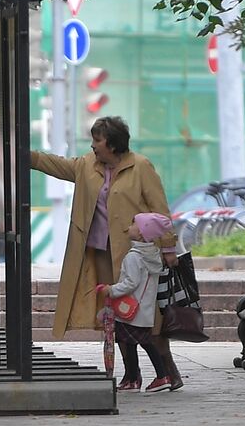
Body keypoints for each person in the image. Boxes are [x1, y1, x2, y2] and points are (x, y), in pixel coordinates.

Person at [31, 116, 183, 390]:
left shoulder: (141, 167)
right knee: (116, 314)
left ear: (112, 144)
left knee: (145, 317)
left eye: (97, 141)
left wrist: (169, 247)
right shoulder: (87, 166)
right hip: (101, 253)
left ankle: (168, 372)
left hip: (135, 255)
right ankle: (131, 375)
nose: (92, 146)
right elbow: (55, 164)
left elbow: (160, 210)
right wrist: (25, 155)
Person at [96, 213, 174, 392]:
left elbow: (130, 283)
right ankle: (143, 378)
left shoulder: (134, 257)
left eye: (133, 224)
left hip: (130, 310)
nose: (128, 228)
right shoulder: (152, 256)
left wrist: (111, 290)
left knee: (134, 342)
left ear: (141, 233)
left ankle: (152, 377)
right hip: (144, 310)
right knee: (139, 342)